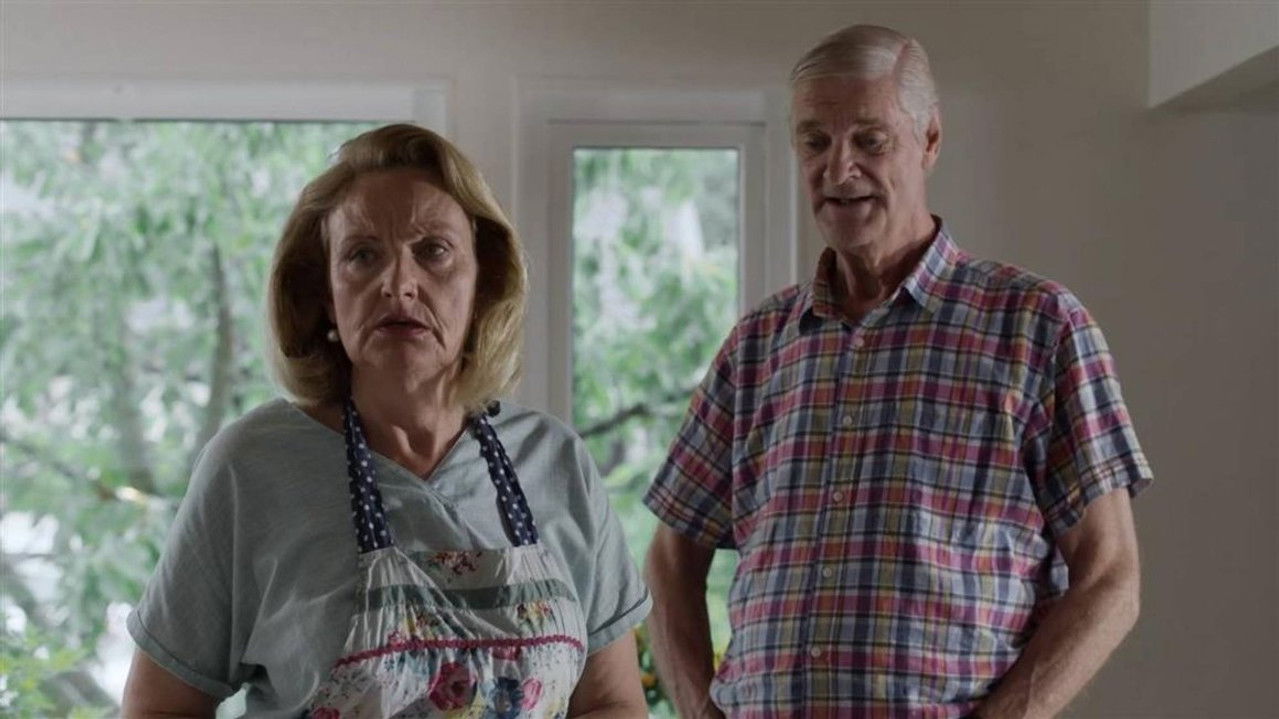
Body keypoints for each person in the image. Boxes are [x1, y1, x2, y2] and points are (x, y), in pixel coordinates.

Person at [643, 24, 1151, 718]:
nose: (838, 169)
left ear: (929, 139)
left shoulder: (1037, 326)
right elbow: (670, 557)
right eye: (814, 142)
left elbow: (1110, 578)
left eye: (869, 140)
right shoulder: (758, 343)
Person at [123, 124, 651, 718]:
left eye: (433, 251)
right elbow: (157, 709)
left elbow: (610, 702)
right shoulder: (252, 470)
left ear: (482, 281)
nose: (399, 284)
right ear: (326, 295)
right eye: (362, 255)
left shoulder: (556, 461)